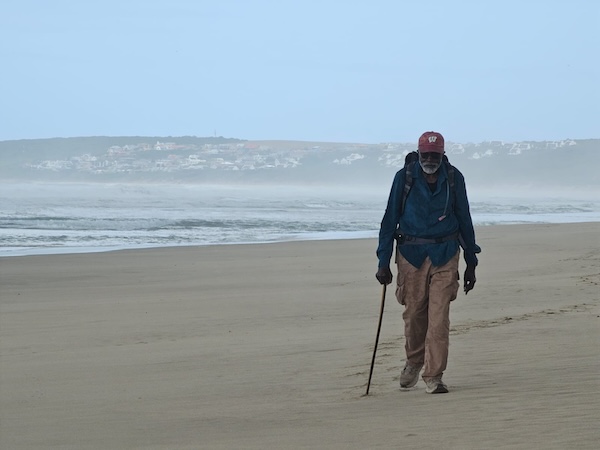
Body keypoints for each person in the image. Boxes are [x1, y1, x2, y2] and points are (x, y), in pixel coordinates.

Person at [375, 131, 480, 394]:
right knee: (414, 317)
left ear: (443, 154)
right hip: (411, 257)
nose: (430, 159)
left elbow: (464, 219)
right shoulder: (405, 178)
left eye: (435, 155)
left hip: (446, 254)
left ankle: (434, 376)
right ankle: (414, 361)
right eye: (426, 155)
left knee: (439, 319)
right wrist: (383, 261)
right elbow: (389, 220)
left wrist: (471, 262)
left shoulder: (455, 178)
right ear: (419, 153)